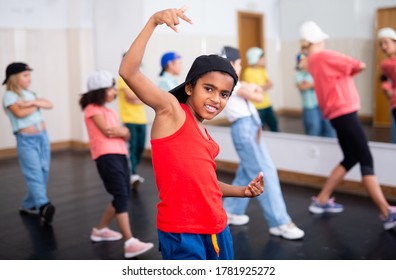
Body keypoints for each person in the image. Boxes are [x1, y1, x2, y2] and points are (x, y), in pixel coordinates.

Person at [119, 7, 264, 260]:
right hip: (183, 232)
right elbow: (128, 72)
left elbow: (204, 185)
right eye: (208, 88)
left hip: (218, 227)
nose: (215, 99)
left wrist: (242, 191)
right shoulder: (171, 112)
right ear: (189, 87)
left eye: (224, 94)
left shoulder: (205, 133)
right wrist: (153, 22)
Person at [299, 21, 396, 230]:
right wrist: (348, 72)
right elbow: (359, 65)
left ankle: (322, 200)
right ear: (319, 40)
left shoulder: (312, 61)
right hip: (344, 111)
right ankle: (387, 212)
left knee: (351, 157)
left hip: (336, 114)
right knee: (366, 159)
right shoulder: (325, 56)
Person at [220, 46, 304, 240]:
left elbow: (254, 91)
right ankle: (280, 223)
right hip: (244, 131)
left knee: (246, 172)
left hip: (249, 129)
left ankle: (230, 211)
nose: (241, 66)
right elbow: (258, 95)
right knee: (265, 174)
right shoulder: (232, 84)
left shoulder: (237, 83)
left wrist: (252, 87)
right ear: (232, 64)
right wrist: (254, 88)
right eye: (239, 63)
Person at [79, 70, 153, 258]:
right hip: (106, 156)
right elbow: (108, 131)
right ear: (98, 91)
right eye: (111, 88)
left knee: (122, 193)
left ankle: (100, 229)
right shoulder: (92, 110)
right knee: (120, 194)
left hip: (120, 154)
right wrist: (122, 131)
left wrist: (122, 131)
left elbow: (122, 132)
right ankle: (129, 242)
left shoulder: (109, 111)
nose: (114, 91)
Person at [2, 62, 55, 224]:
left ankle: (27, 205)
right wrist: (36, 104)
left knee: (44, 171)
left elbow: (49, 104)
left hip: (42, 137)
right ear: (14, 78)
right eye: (25, 75)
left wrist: (31, 102)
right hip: (27, 141)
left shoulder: (30, 94)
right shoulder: (10, 96)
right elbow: (19, 113)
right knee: (34, 173)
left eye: (29, 75)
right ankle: (43, 206)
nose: (29, 78)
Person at [117, 66, 147, 190]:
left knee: (140, 147)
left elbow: (146, 95)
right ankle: (132, 173)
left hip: (142, 119)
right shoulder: (122, 78)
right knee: (132, 147)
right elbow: (130, 97)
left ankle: (131, 171)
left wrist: (140, 98)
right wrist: (141, 97)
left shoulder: (140, 79)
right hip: (129, 119)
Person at [295, 51, 335, 137]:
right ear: (298, 64)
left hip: (323, 104)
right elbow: (303, 87)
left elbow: (326, 83)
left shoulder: (316, 71)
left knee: (329, 128)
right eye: (302, 62)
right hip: (310, 107)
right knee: (314, 129)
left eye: (307, 61)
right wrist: (317, 83)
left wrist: (311, 84)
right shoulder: (299, 75)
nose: (305, 64)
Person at [242, 47, 279, 132]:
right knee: (258, 129)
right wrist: (263, 87)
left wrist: (260, 87)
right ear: (255, 58)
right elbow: (253, 90)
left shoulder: (262, 70)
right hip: (257, 106)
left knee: (274, 125)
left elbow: (270, 84)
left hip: (267, 104)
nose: (264, 60)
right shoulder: (248, 72)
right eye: (262, 58)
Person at [377, 27, 396, 127]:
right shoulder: (386, 64)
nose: (383, 46)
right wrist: (387, 89)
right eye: (381, 44)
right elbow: (383, 79)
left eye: (386, 42)